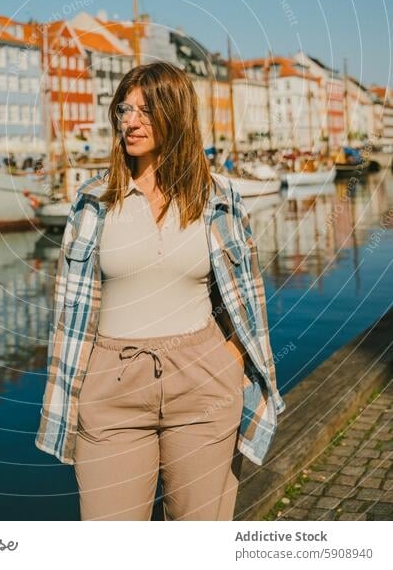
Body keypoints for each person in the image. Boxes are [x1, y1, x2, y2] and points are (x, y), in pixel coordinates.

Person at [35, 62, 285, 521]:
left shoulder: (219, 198)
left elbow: (247, 297)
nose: (131, 121)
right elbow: (68, 308)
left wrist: (229, 359)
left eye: (146, 110)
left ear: (176, 114)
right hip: (113, 386)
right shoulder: (94, 201)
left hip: (202, 381)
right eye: (125, 109)